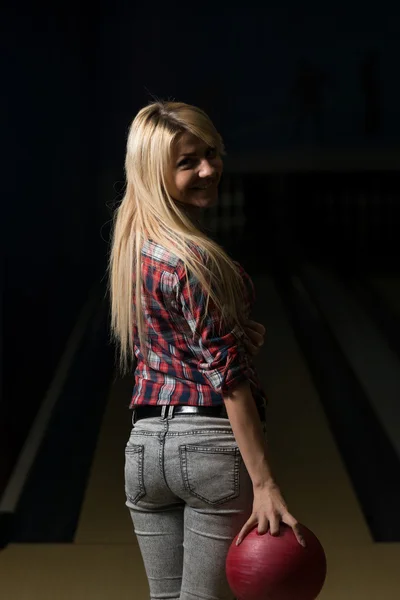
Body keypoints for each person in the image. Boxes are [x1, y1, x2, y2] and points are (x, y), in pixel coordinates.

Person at [109, 101, 305, 600]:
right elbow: (230, 377)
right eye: (187, 161)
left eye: (212, 153)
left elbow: (174, 340)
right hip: (208, 450)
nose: (208, 169)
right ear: (156, 172)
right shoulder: (198, 259)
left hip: (143, 451)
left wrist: (232, 335)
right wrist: (264, 483)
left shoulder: (132, 248)